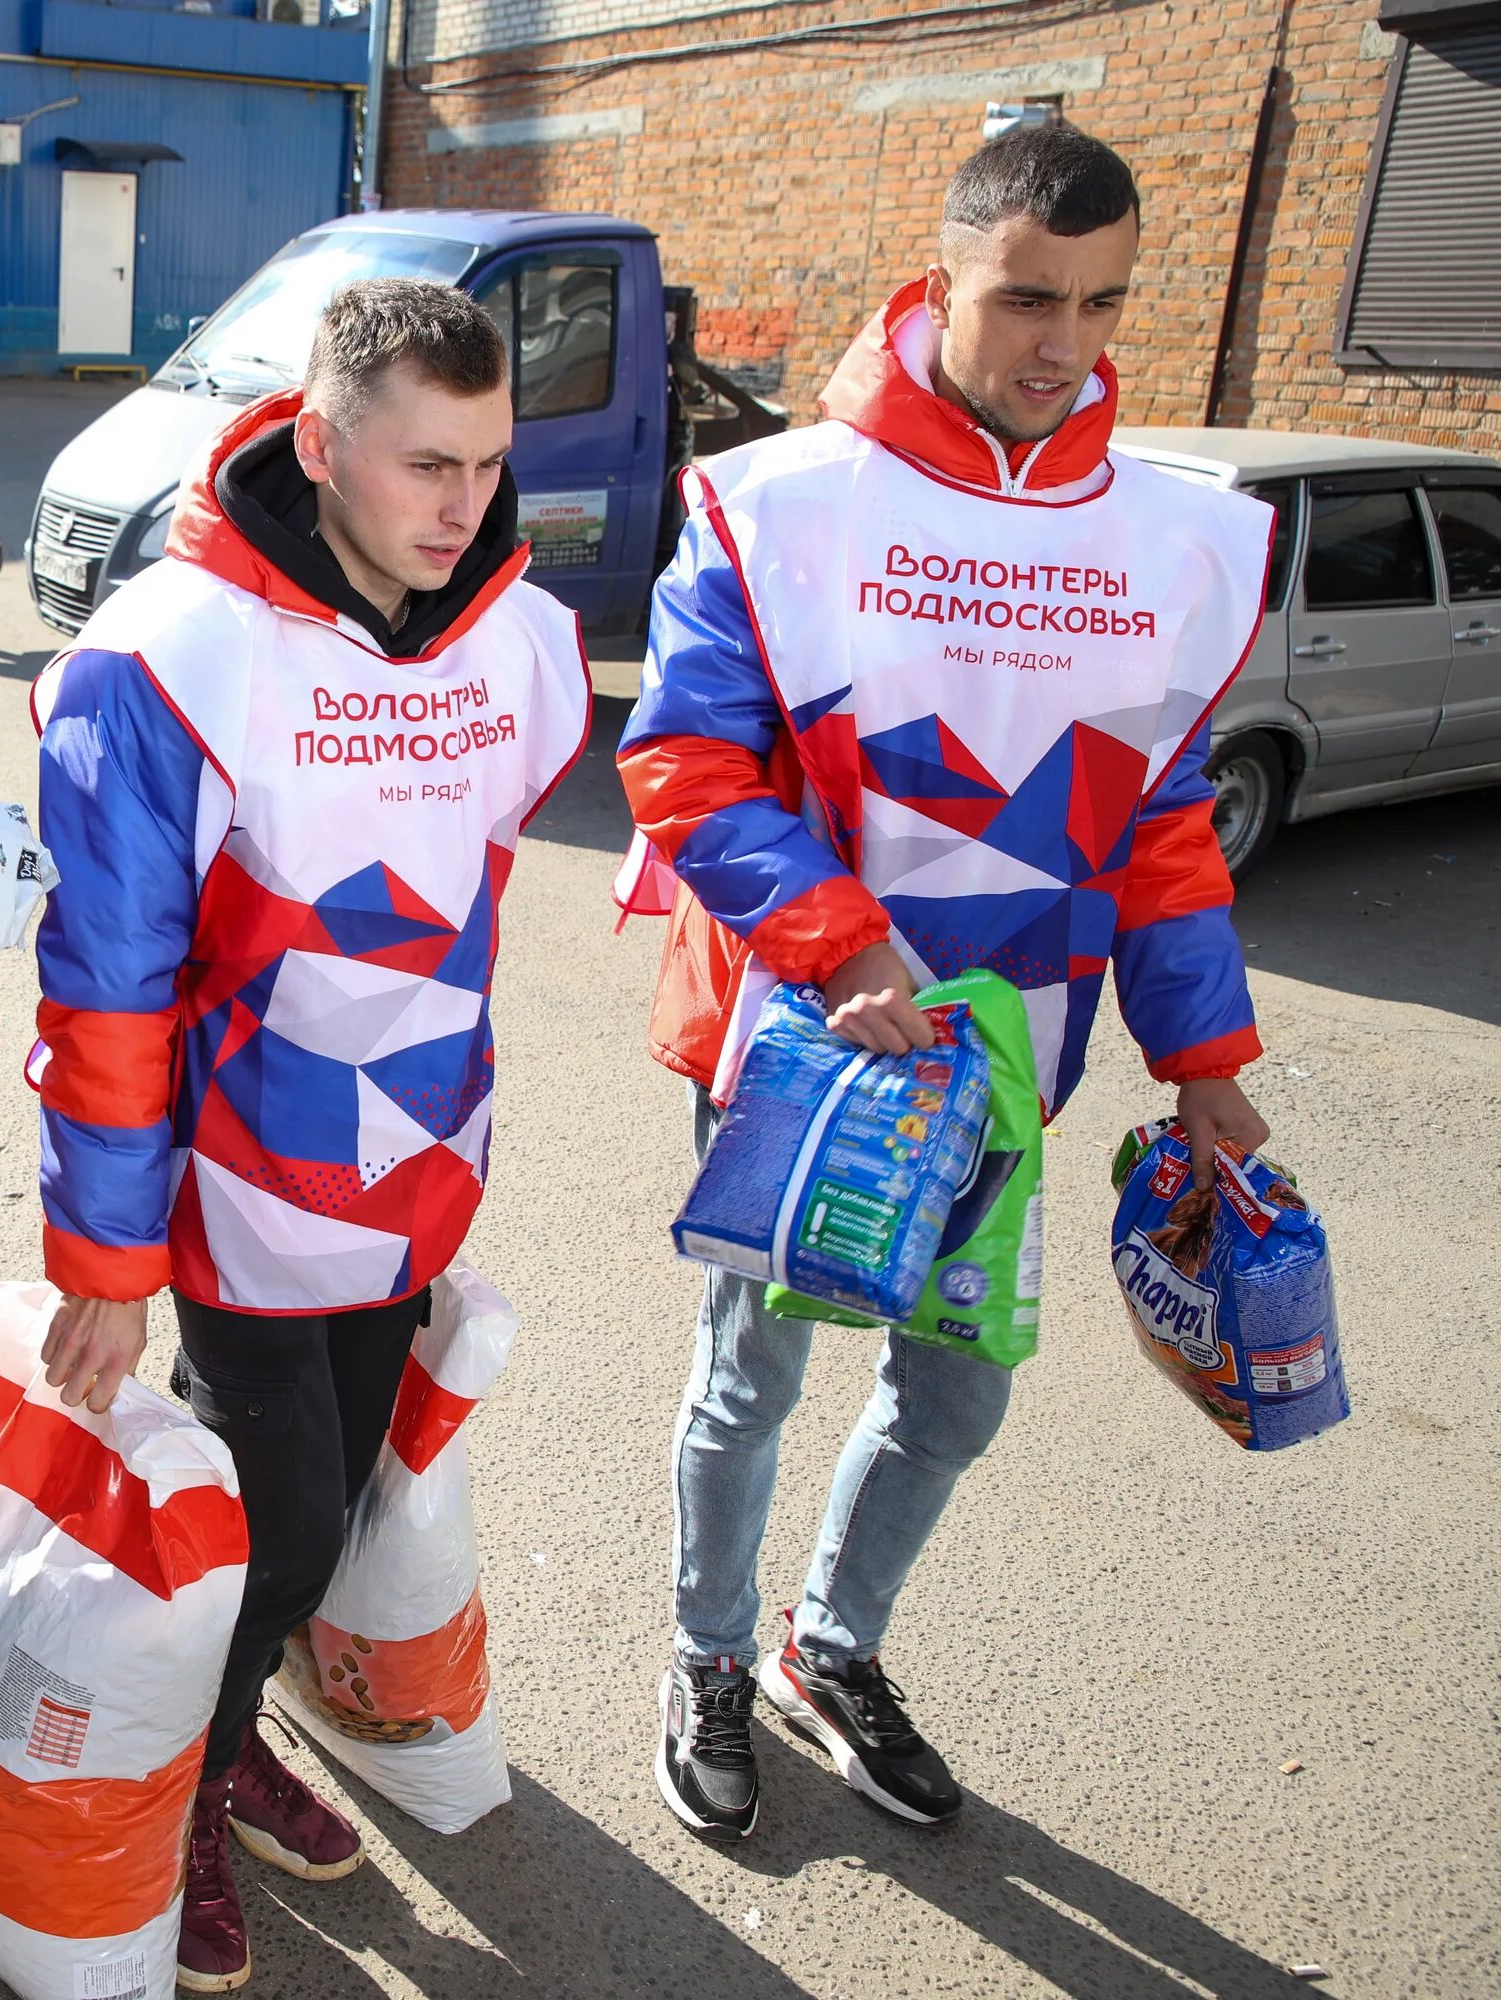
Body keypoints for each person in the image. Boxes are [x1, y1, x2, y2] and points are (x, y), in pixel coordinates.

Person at [616, 124, 1273, 1842]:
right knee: (747, 1383)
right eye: (1028, 300)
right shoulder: (785, 504)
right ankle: (701, 1659)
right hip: (806, 1048)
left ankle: (828, 1653)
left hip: (1011, 1070)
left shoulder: (1171, 544)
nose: (1068, 344)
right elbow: (686, 764)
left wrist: (1203, 1055)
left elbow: (1169, 828)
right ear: (941, 279)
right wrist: (840, 947)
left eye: (1106, 303)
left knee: (956, 1393)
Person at [30, 278, 591, 1994]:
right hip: (236, 1187)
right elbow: (107, 986)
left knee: (328, 1509)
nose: (462, 507)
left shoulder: (524, 641)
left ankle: (235, 1715)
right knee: (266, 1516)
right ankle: (186, 1783)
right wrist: (107, 1258)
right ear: (320, 437)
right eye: (425, 463)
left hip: (417, 1165)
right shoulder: (165, 653)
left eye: (489, 466)